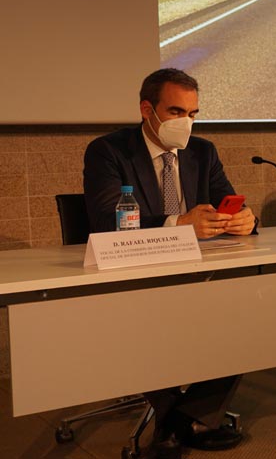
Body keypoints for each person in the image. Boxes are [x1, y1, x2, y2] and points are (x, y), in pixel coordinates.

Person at [83, 68, 254, 458]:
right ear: (148, 110)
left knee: (249, 309)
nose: (186, 123)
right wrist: (179, 223)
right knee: (148, 317)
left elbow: (228, 200)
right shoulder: (108, 151)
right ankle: (181, 419)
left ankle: (178, 418)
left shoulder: (202, 151)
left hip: (194, 270)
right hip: (135, 271)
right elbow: (107, 220)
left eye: (193, 114)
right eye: (177, 111)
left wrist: (245, 220)